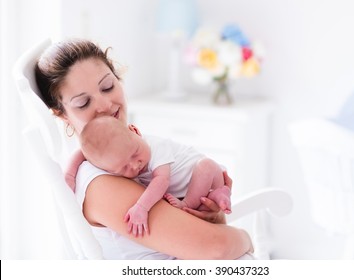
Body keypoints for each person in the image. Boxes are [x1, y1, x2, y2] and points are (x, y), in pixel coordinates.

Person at [34, 38, 254, 259]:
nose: (104, 105)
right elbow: (217, 248)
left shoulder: (134, 146)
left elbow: (209, 241)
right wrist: (245, 238)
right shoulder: (99, 184)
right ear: (62, 114)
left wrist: (212, 216)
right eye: (83, 103)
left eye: (108, 87)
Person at [65, 115, 232, 237]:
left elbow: (162, 180)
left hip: (209, 175)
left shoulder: (156, 148)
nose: (135, 165)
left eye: (135, 153)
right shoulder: (113, 156)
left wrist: (141, 207)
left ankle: (202, 198)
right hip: (199, 193)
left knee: (206, 165)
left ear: (136, 131)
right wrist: (70, 175)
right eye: (123, 168)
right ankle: (218, 194)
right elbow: (83, 152)